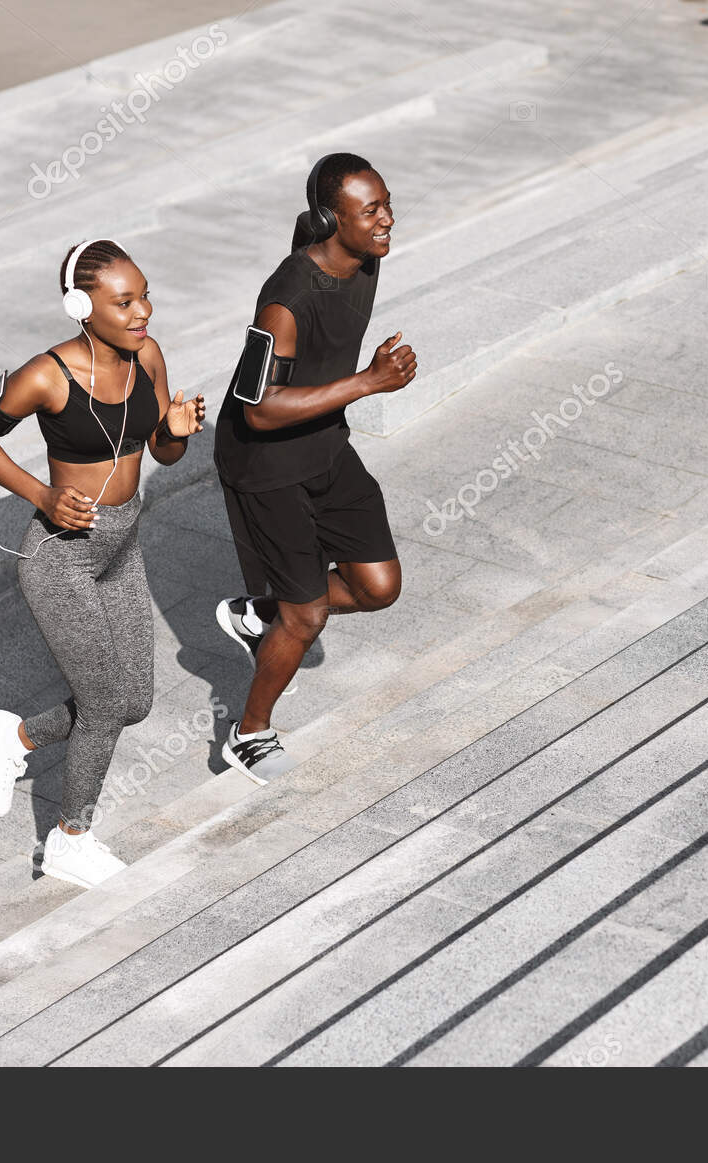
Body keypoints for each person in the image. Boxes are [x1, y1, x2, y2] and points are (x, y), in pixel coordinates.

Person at [0, 238, 205, 888]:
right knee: (103, 700)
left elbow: (162, 453)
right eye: (123, 301)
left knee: (136, 700)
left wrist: (173, 430)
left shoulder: (147, 353)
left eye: (144, 294)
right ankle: (71, 838)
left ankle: (16, 740)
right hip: (59, 556)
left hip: (121, 544)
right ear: (80, 304)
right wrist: (41, 495)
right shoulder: (48, 373)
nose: (141, 310)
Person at [212, 153, 417, 784]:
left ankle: (260, 614)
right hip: (265, 463)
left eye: (386, 202)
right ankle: (248, 733)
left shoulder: (365, 256)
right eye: (371, 210)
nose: (387, 219)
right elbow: (260, 410)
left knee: (377, 586)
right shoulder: (285, 299)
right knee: (308, 617)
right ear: (332, 220)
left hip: (325, 443)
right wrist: (368, 382)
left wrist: (359, 383)